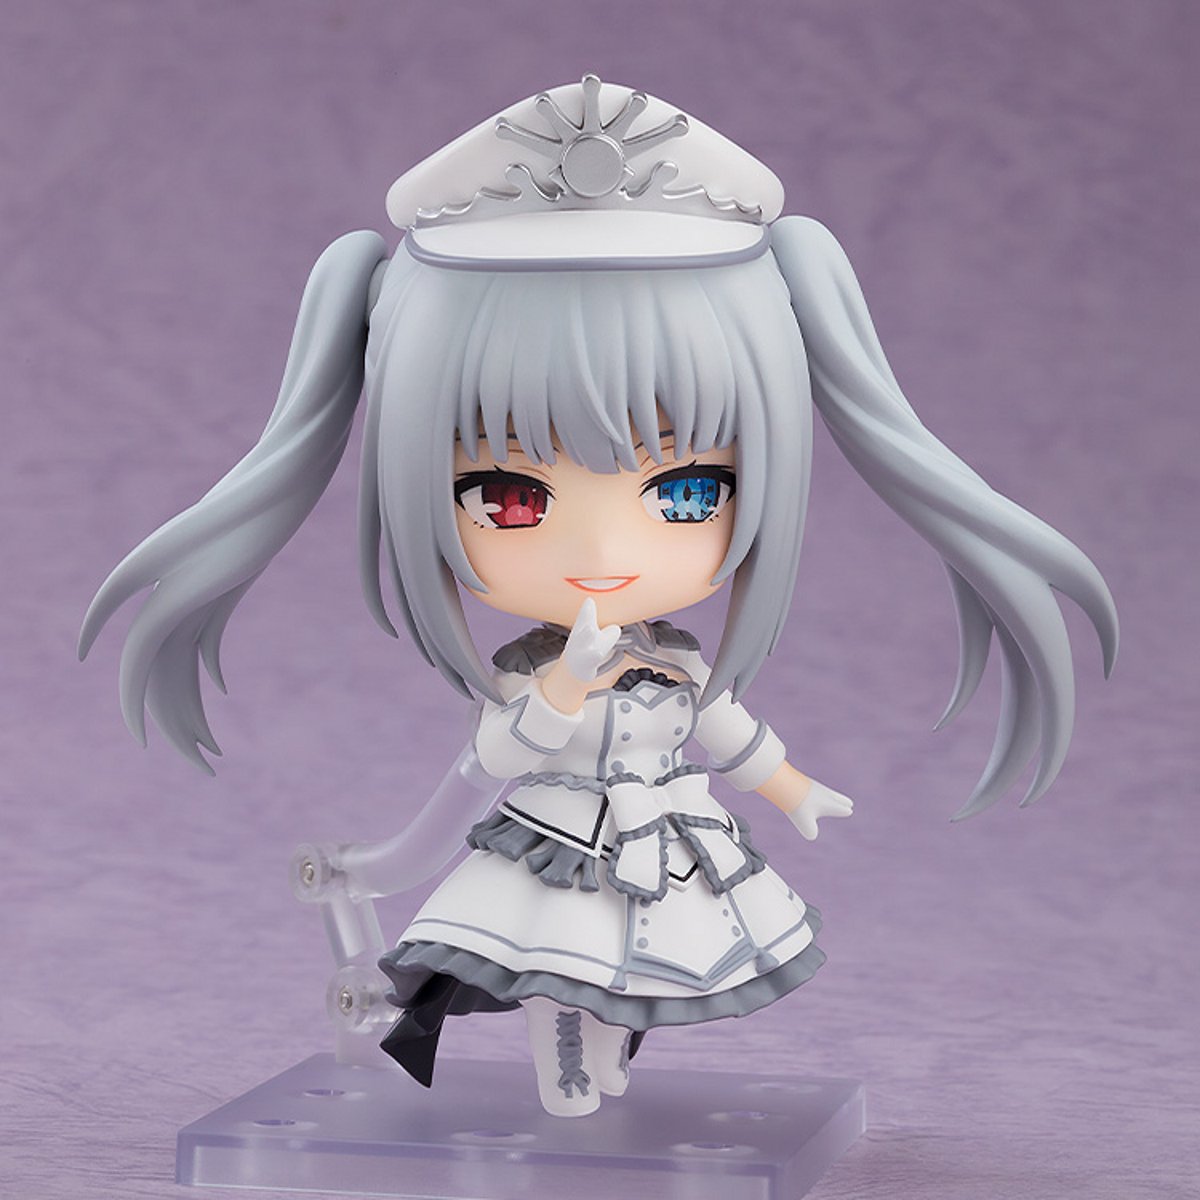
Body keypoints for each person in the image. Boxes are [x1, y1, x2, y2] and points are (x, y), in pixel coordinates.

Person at [80, 75, 1117, 1117]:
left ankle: (607, 1060)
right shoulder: (529, 672)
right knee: (565, 966)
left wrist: (792, 787)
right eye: (510, 496)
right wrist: (566, 689)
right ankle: (567, 1070)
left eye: (686, 491)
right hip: (560, 841)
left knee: (650, 964)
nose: (603, 553)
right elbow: (495, 757)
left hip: (667, 837)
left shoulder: (677, 661)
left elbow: (722, 726)